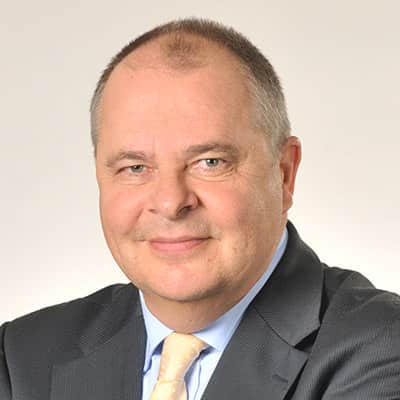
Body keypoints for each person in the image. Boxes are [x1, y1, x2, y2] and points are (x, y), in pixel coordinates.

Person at [1, 18, 399, 400]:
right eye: (135, 167)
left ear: (284, 174)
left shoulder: (381, 348)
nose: (170, 202)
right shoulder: (20, 358)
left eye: (210, 162)